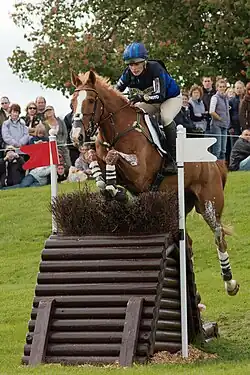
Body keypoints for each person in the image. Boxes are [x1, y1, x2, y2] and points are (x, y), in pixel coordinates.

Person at [116, 42, 182, 174]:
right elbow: (115, 92)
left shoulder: (155, 68)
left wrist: (140, 98)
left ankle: (174, 159)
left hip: (171, 98)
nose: (133, 68)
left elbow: (160, 95)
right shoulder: (128, 73)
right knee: (136, 114)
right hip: (152, 100)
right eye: (130, 64)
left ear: (144, 62)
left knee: (166, 117)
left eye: (137, 63)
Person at [209, 79, 230, 160]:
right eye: (220, 87)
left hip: (225, 125)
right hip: (216, 125)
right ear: (217, 88)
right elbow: (211, 111)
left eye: (224, 87)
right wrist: (220, 118)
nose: (222, 88)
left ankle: (222, 168)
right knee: (217, 149)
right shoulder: (215, 97)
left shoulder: (226, 98)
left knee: (223, 150)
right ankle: (215, 168)